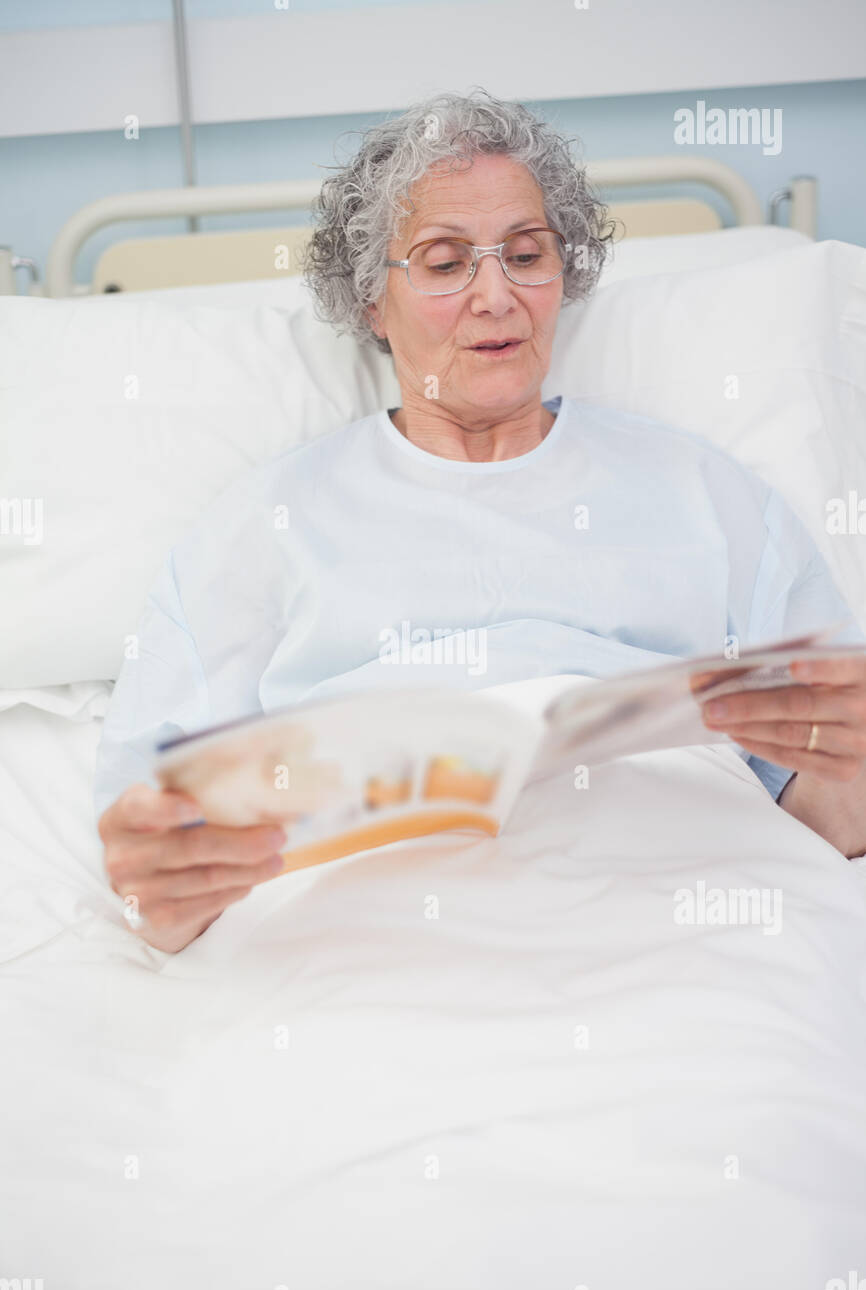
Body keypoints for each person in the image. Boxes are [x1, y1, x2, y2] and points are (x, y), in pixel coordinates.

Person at [94, 90, 866, 955]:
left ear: (561, 274)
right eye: (444, 260)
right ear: (370, 302)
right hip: (365, 937)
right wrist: (161, 884)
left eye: (525, 254)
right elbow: (153, 870)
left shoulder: (709, 496)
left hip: (683, 913)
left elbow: (828, 817)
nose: (495, 295)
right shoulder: (266, 524)